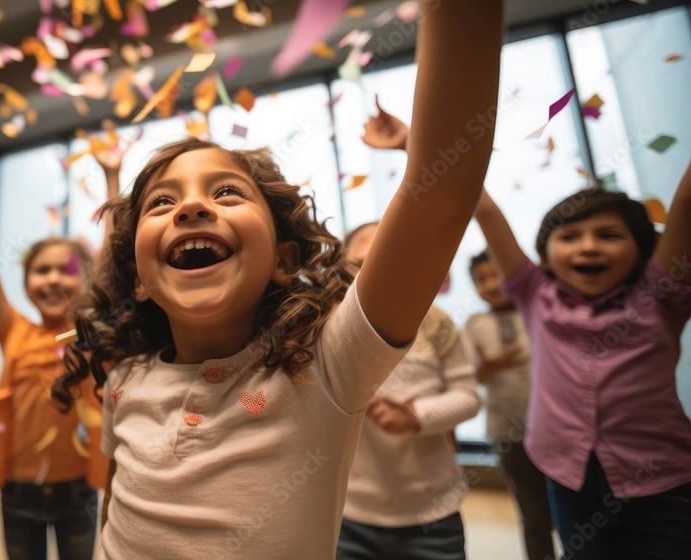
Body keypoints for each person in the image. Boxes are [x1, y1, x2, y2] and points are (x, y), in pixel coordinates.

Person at [52, 1, 505, 556]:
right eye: (162, 202)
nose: (191, 207)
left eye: (226, 193)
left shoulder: (328, 366)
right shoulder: (125, 377)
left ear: (284, 259)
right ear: (139, 278)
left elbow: (441, 191)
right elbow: (112, 516)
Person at [472, 160, 691, 559]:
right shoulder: (535, 294)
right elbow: (484, 209)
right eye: (570, 236)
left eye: (608, 235)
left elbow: (687, 202)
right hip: (569, 480)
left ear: (641, 250)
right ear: (546, 255)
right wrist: (412, 145)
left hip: (663, 481)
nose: (588, 246)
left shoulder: (662, 295)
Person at [0, 118, 118, 560]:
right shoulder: (12, 327)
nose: (53, 279)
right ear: (27, 280)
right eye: (41, 269)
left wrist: (111, 174)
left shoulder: (93, 329)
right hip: (18, 488)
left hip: (79, 490)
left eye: (66, 270)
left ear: (88, 282)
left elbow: (112, 250)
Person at [337, 222, 481, 560]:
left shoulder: (436, 323)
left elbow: (469, 395)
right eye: (364, 265)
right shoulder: (328, 331)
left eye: (397, 262)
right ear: (341, 270)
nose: (381, 275)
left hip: (432, 511)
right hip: (347, 512)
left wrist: (416, 415)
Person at [464, 251, 554, 560]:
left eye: (497, 275)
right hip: (508, 432)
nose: (490, 284)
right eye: (481, 279)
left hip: (556, 429)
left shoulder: (539, 312)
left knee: (570, 509)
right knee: (533, 514)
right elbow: (472, 376)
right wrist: (490, 366)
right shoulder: (475, 324)